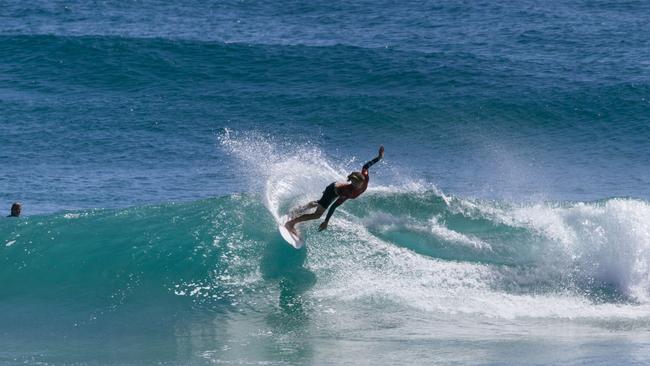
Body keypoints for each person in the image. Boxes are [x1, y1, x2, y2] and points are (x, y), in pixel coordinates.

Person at [285, 146, 384, 234]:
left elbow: (366, 166)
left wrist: (378, 158)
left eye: (356, 183)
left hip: (336, 187)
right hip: (332, 191)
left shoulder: (365, 177)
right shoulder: (348, 191)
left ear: (362, 181)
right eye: (353, 182)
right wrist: (326, 221)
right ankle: (290, 223)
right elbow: (333, 206)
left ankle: (299, 210)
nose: (354, 185)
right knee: (317, 215)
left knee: (320, 202)